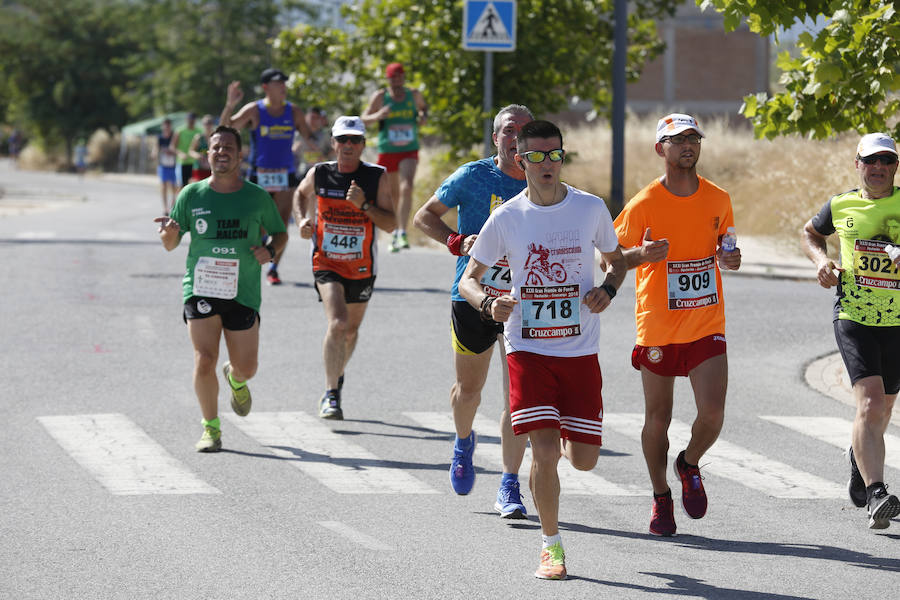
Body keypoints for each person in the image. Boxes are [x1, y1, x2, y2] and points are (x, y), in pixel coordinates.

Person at [459, 120, 626, 580]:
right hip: (527, 349)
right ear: (519, 160)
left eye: (554, 155)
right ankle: (551, 546)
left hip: (579, 352)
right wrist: (491, 303)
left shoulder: (590, 209)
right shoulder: (507, 217)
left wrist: (607, 291)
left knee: (584, 459)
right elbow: (468, 280)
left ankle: (573, 437)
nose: (547, 164)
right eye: (536, 156)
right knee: (545, 451)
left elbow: (616, 261)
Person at [612, 113, 742, 538]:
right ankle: (660, 495)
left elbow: (727, 247)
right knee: (658, 418)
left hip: (707, 321)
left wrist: (730, 259)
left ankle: (688, 463)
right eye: (677, 139)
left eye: (693, 138)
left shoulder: (719, 199)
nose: (687, 144)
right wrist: (642, 255)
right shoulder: (644, 203)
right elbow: (609, 258)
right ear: (659, 149)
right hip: (659, 326)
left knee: (713, 412)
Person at [413, 104, 534, 517]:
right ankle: (464, 441)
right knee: (469, 392)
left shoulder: (544, 181)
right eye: (508, 130)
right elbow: (423, 216)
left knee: (518, 398)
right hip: (473, 295)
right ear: (495, 138)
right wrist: (454, 240)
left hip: (523, 302)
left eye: (524, 130)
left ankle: (509, 484)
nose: (516, 137)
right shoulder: (473, 176)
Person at [154, 125, 288, 452]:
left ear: (240, 155)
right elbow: (171, 244)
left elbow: (280, 234)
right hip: (201, 287)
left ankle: (236, 377)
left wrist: (270, 252)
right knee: (204, 358)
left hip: (243, 291)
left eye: (228, 147)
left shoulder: (256, 197)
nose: (221, 152)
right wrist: (169, 233)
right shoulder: (191, 195)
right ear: (208, 154)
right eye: (215, 148)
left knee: (248, 367)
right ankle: (211, 429)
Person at [801, 132, 900, 530]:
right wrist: (820, 262)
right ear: (856, 164)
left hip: (897, 321)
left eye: (886, 162)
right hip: (854, 315)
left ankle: (860, 460)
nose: (877, 169)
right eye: (870, 161)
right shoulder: (840, 204)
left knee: (882, 410)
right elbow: (810, 233)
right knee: (871, 405)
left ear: (895, 167)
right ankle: (878, 492)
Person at [293, 116, 395, 420]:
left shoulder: (377, 176)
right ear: (333, 143)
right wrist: (301, 220)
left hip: (362, 266)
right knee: (337, 323)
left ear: (363, 145)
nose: (348, 146)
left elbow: (391, 224)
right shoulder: (320, 173)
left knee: (350, 331)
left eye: (355, 140)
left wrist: (364, 205)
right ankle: (331, 392)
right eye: (343, 140)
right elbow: (300, 194)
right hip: (326, 261)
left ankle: (335, 375)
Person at [220, 68, 315, 285]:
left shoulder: (294, 111)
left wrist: (330, 154)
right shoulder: (255, 110)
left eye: (284, 83)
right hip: (259, 175)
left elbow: (310, 138)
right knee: (256, 224)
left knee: (280, 225)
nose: (283, 87)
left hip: (285, 175)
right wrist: (230, 104)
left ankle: (273, 267)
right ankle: (254, 255)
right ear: (265, 87)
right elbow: (225, 128)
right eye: (277, 83)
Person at [361, 62, 427, 253]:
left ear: (404, 77)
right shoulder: (381, 97)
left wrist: (422, 116)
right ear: (387, 78)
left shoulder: (413, 95)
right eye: (393, 77)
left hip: (409, 149)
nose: (397, 80)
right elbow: (363, 118)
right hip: (387, 150)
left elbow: (423, 109)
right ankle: (394, 231)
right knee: (393, 194)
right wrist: (379, 115)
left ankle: (402, 232)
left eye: (400, 76)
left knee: (407, 187)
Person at [293, 107, 334, 178]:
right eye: (312, 117)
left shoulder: (325, 135)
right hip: (302, 172)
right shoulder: (297, 135)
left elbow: (334, 149)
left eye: (316, 118)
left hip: (320, 171)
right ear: (306, 117)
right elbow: (291, 152)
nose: (313, 120)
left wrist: (325, 156)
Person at [172, 113, 201, 191]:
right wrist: (180, 153)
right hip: (183, 163)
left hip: (195, 163)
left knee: (194, 187)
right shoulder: (180, 131)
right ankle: (180, 202)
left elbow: (202, 147)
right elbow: (172, 147)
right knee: (182, 187)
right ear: (186, 120)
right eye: (190, 120)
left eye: (193, 120)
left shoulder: (199, 131)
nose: (191, 122)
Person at [154, 118, 177, 215]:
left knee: (173, 186)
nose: (166, 127)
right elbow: (156, 148)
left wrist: (171, 152)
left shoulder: (174, 136)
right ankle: (165, 208)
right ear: (162, 126)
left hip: (173, 165)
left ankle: (172, 205)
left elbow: (176, 148)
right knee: (163, 186)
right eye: (165, 125)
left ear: (170, 126)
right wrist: (154, 153)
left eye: (168, 125)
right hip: (163, 165)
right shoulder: (160, 137)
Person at [188, 115, 216, 182]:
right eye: (206, 123)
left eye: (210, 123)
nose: (208, 125)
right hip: (199, 168)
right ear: (203, 125)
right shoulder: (199, 137)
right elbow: (190, 151)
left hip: (212, 168)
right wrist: (197, 155)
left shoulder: (216, 138)